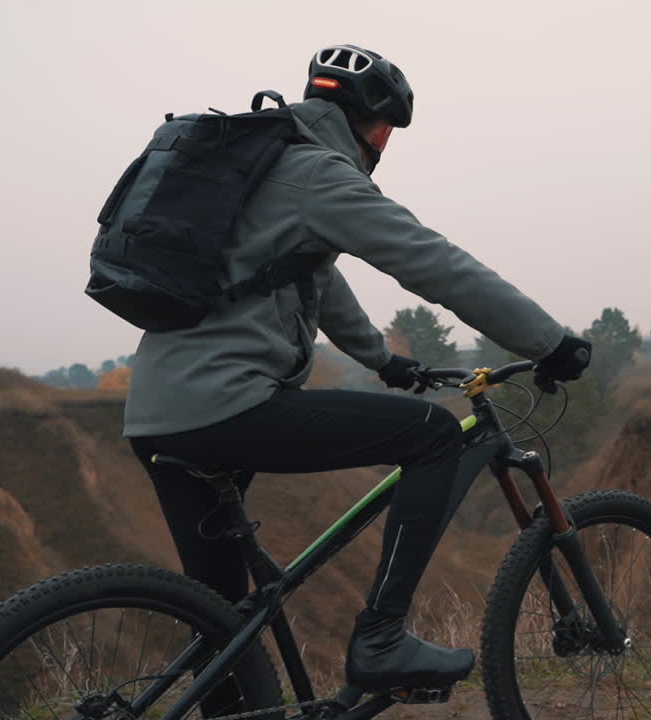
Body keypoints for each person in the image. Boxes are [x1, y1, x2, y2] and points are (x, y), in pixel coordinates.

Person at [124, 44, 591, 696]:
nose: (384, 144)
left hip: (155, 412)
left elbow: (309, 275)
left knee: (222, 624)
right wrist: (549, 341)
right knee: (431, 435)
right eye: (387, 131)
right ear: (371, 124)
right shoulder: (317, 175)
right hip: (226, 404)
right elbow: (432, 262)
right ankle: (381, 638)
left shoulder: (261, 169)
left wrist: (382, 359)